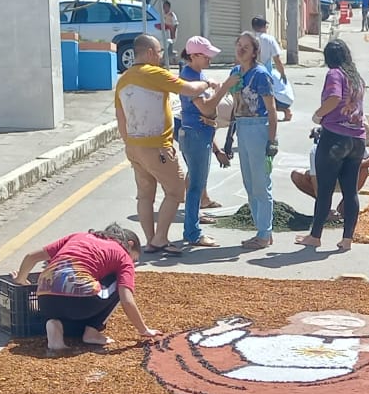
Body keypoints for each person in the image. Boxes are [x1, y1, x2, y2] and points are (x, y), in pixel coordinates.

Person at [115, 34, 211, 253]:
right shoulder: (155, 74)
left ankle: (151, 239)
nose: (160, 56)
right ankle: (160, 238)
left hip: (133, 145)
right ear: (149, 53)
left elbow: (120, 117)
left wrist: (129, 144)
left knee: (145, 195)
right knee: (176, 190)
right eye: (159, 52)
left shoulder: (124, 79)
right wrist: (207, 82)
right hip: (157, 145)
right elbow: (190, 89)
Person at [13, 224, 158, 353]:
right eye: (135, 259)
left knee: (83, 279)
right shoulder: (123, 256)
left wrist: (21, 280)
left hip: (45, 299)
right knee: (119, 281)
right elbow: (126, 299)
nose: (133, 263)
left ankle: (54, 324)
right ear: (130, 245)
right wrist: (143, 330)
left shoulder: (77, 236)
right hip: (81, 301)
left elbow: (31, 257)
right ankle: (92, 331)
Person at [297, 39, 367, 252]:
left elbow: (335, 97)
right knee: (350, 191)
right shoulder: (356, 77)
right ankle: (347, 239)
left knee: (325, 189)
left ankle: (315, 236)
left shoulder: (335, 74)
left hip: (335, 136)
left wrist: (319, 115)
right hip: (357, 139)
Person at [175, 35, 234, 252]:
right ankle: (193, 232)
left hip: (198, 133)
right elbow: (206, 108)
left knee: (194, 182)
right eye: (207, 54)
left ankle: (193, 226)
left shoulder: (197, 74)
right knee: (196, 186)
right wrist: (225, 87)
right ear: (195, 55)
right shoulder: (190, 78)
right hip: (195, 135)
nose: (210, 58)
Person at [222, 31, 280, 249]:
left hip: (258, 128)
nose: (241, 49)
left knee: (260, 183)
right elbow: (235, 107)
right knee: (249, 183)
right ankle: (262, 230)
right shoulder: (235, 73)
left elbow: (272, 110)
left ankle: (264, 233)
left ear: (255, 51)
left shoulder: (261, 74)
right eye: (238, 45)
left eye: (246, 46)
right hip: (242, 128)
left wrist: (272, 141)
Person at [251, 16, 294, 123]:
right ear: (264, 26)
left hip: (250, 72)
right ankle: (283, 110)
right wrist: (282, 74)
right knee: (268, 95)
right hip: (265, 73)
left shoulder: (249, 39)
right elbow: (277, 59)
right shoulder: (269, 39)